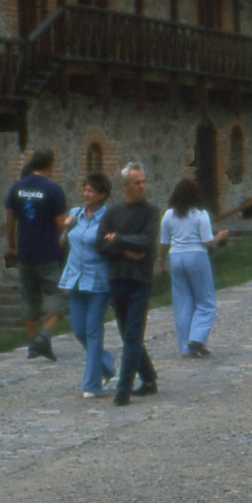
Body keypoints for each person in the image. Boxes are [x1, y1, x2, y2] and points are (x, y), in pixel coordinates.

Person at [100, 163, 160, 406]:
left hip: (140, 280)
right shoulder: (113, 213)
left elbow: (146, 242)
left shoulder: (151, 212)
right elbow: (101, 245)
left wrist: (119, 240)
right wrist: (125, 251)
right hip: (117, 279)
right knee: (127, 335)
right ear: (125, 185)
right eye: (137, 183)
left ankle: (123, 388)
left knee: (134, 335)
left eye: (144, 181)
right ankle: (149, 379)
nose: (142, 186)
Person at [4, 149, 66, 362]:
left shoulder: (16, 188)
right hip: (48, 253)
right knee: (57, 296)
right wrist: (64, 236)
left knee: (29, 299)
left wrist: (12, 246)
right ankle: (44, 337)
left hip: (25, 253)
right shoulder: (53, 189)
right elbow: (60, 224)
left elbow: (10, 222)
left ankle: (32, 345)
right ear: (50, 165)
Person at [58, 170, 116, 397]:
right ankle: (107, 364)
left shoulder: (109, 218)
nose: (85, 194)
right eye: (84, 189)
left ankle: (91, 385)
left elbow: (112, 246)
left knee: (93, 330)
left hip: (99, 281)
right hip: (75, 279)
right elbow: (61, 244)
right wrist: (66, 227)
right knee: (79, 330)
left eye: (90, 190)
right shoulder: (76, 214)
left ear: (101, 194)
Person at [158, 179, 229, 358]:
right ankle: (197, 337)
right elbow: (207, 242)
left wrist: (161, 263)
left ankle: (187, 348)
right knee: (205, 301)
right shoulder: (200, 214)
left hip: (176, 258)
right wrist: (219, 237)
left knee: (183, 303)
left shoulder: (168, 215)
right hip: (196, 256)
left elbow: (164, 242)